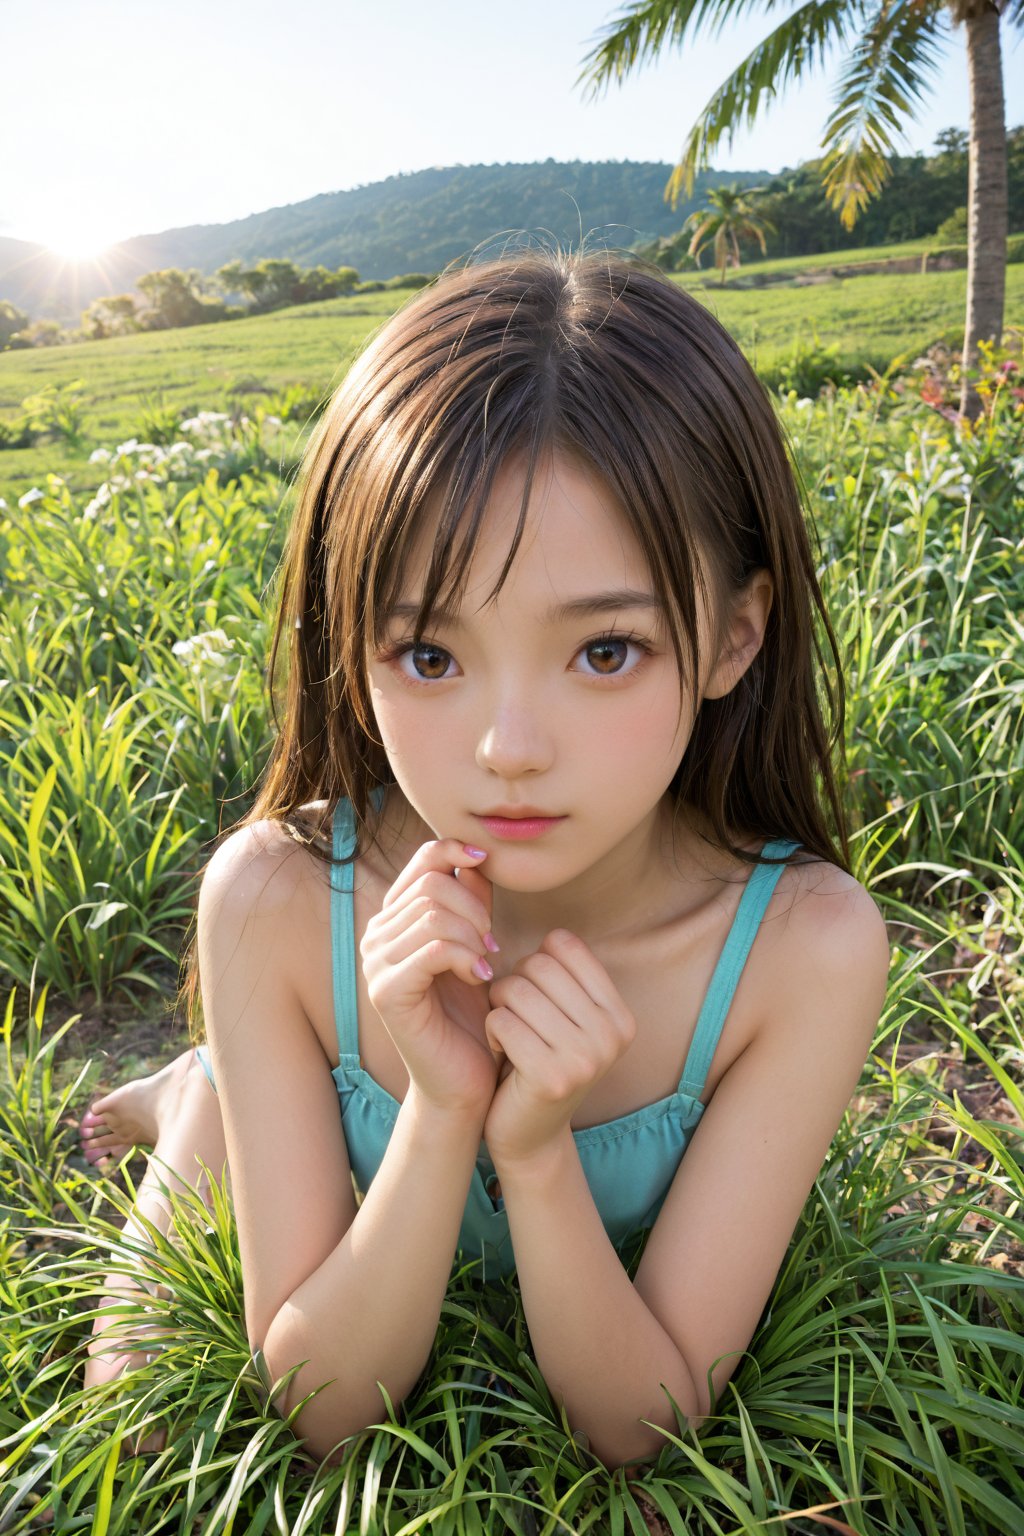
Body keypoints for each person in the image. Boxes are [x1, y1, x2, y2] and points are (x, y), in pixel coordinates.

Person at [79, 245, 890, 1470]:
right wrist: (441, 1108)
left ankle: (209, 1087)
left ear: (733, 636)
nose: (509, 751)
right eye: (433, 657)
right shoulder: (277, 899)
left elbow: (642, 1430)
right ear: (350, 647)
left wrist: (533, 1152)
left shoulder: (802, 948)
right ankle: (209, 1098)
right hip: (310, 1033)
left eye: (604, 651)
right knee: (128, 1407)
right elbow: (318, 1409)